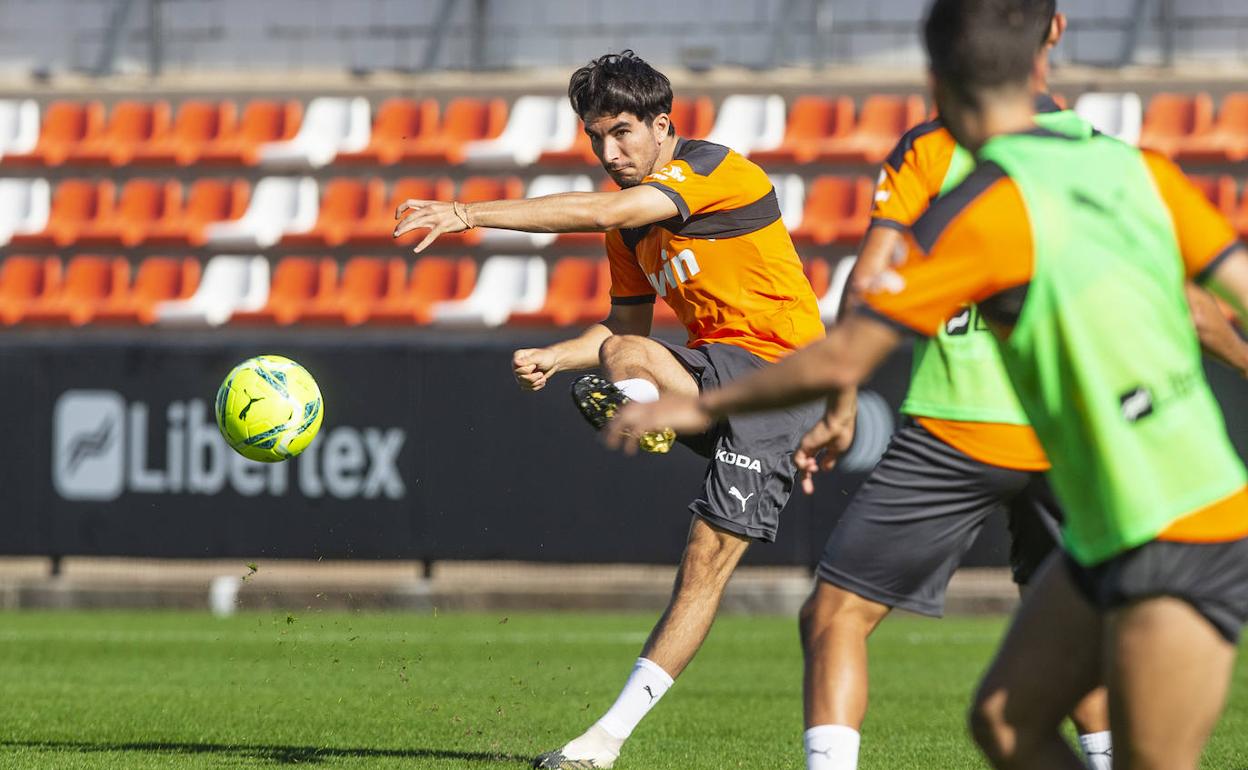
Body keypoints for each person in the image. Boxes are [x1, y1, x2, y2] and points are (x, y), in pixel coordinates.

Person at [604, 0, 1248, 767]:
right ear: (1046, 53)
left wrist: (700, 405)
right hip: (1126, 503)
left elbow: (847, 350)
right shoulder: (1137, 168)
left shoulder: (987, 210)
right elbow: (1210, 311)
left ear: (937, 84)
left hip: (1178, 524)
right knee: (1005, 723)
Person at [394, 51, 827, 769]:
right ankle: (639, 407)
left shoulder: (718, 171)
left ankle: (603, 739)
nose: (609, 151)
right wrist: (552, 357)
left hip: (784, 381)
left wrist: (469, 212)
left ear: (663, 124)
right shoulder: (628, 233)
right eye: (596, 138)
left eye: (622, 132)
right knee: (621, 356)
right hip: (710, 371)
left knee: (705, 562)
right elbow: (624, 330)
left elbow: (610, 207)